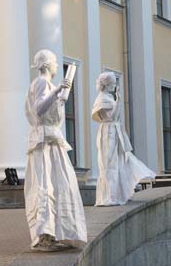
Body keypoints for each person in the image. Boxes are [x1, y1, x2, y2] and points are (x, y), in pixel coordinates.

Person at [25, 49, 87, 251]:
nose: (57, 67)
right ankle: (45, 236)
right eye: (54, 63)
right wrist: (57, 90)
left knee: (57, 185)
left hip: (50, 142)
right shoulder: (42, 83)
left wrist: (60, 96)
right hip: (44, 143)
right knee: (46, 186)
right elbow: (39, 110)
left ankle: (53, 233)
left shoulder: (46, 84)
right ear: (47, 64)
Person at [92, 72, 155, 206]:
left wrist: (117, 101)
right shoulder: (102, 99)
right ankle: (110, 196)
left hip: (114, 132)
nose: (115, 86)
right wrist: (118, 101)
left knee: (120, 161)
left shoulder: (108, 97)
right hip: (107, 133)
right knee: (109, 164)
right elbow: (112, 116)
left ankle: (120, 193)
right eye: (113, 84)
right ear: (107, 84)